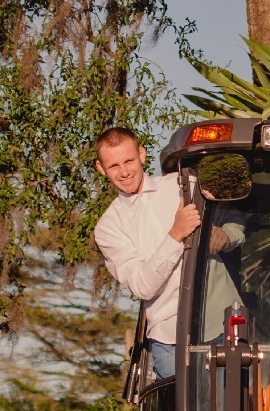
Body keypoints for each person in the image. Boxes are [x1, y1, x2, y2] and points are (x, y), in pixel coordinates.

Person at [94, 125, 237, 381]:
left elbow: (236, 213)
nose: (124, 172)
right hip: (169, 339)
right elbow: (142, 286)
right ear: (100, 168)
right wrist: (175, 234)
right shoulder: (108, 228)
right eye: (114, 166)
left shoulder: (185, 185)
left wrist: (227, 236)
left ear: (142, 154)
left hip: (223, 319)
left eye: (128, 161)